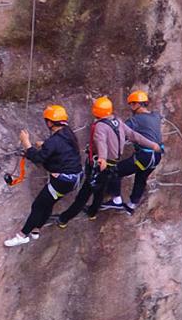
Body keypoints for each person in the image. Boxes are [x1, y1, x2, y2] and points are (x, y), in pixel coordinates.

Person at [56, 96, 160, 227]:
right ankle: (93, 212)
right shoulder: (117, 121)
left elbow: (101, 142)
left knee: (84, 194)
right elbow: (133, 135)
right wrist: (152, 144)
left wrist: (102, 158)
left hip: (100, 164)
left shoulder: (100, 126)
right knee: (99, 190)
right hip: (112, 163)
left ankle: (64, 219)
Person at [4, 105, 83, 247]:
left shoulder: (54, 141)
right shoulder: (67, 132)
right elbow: (60, 149)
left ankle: (22, 235)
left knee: (38, 205)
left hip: (62, 181)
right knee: (48, 203)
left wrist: (26, 143)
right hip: (73, 178)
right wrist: (46, 145)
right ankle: (36, 229)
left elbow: (38, 158)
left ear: (50, 122)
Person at [100, 90, 164, 214]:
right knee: (141, 177)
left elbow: (120, 133)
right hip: (157, 156)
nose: (131, 107)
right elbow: (158, 117)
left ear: (136, 104)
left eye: (131, 104)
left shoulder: (135, 120)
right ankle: (131, 205)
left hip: (144, 156)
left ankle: (116, 201)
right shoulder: (155, 116)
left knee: (114, 170)